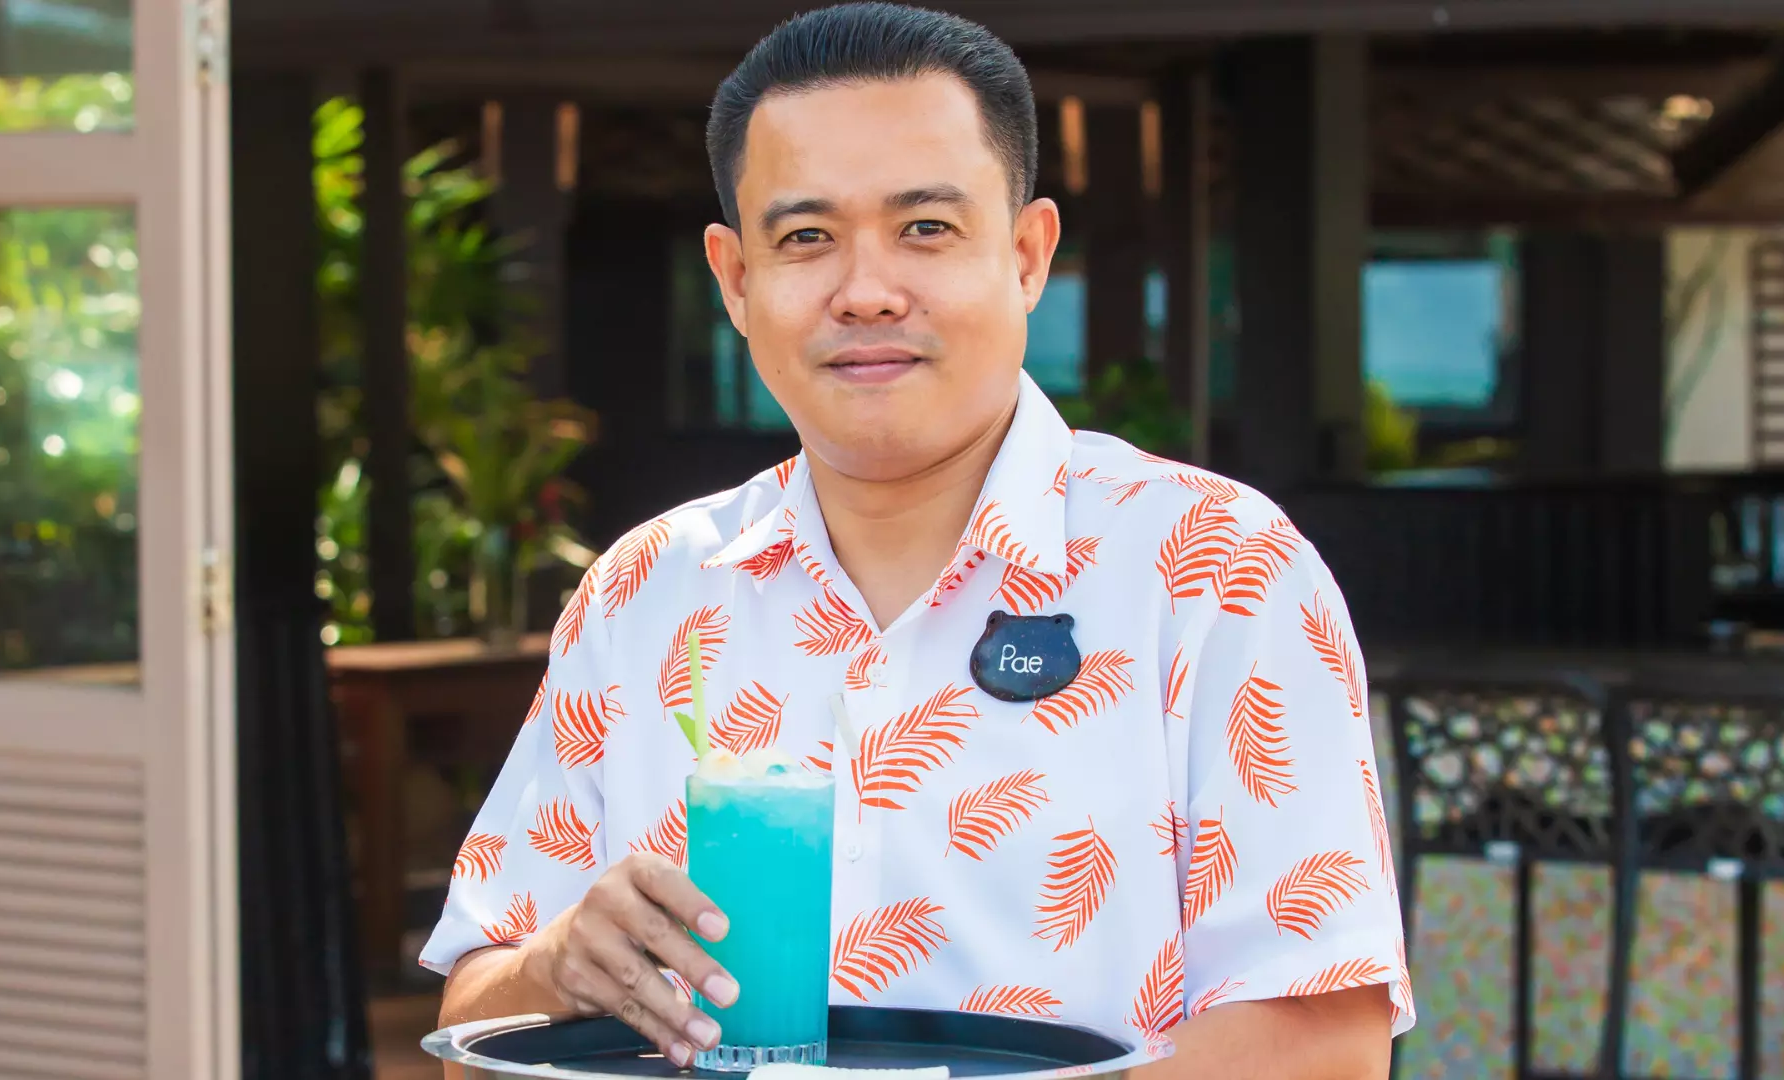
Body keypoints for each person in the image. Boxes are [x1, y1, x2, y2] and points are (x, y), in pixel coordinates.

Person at [424, 4, 1413, 1075]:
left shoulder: (1214, 569)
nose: (866, 292)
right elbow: (468, 1025)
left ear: (1027, 256)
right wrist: (557, 967)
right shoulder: (645, 594)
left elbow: (1322, 1039)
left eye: (926, 228)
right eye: (806, 238)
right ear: (736, 281)